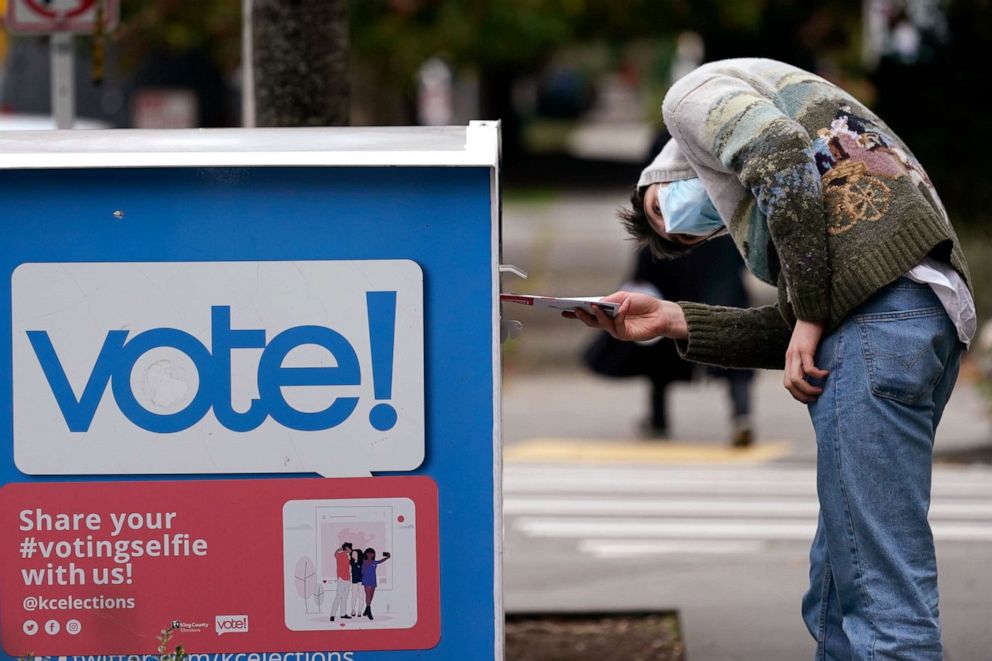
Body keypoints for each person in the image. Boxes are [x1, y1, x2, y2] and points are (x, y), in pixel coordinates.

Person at [570, 58, 974, 660]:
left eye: (660, 207)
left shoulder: (687, 99)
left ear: (659, 171)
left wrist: (809, 314)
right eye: (684, 236)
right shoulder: (813, 214)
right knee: (837, 588)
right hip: (921, 317)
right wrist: (676, 319)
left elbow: (778, 150)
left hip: (882, 322)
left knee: (884, 602)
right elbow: (802, 333)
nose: (683, 219)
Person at [360, 548, 391, 620]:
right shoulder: (364, 561)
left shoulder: (374, 562)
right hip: (366, 580)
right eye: (369, 553)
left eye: (372, 553)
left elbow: (380, 561)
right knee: (367, 595)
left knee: (371, 596)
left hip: (373, 581)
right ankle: (369, 611)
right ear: (366, 554)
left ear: (373, 554)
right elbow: (362, 571)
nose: (370, 554)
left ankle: (366, 609)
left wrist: (387, 557)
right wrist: (365, 567)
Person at [328, 542, 353, 622]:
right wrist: (339, 549)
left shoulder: (347, 556)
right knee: (338, 597)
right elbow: (336, 555)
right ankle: (332, 615)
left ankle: (343, 614)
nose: (351, 549)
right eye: (350, 548)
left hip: (347, 579)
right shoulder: (341, 554)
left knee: (344, 598)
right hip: (342, 578)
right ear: (346, 547)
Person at [349, 548, 365, 617]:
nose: (353, 554)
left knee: (361, 596)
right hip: (354, 581)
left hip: (361, 581)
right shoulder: (351, 562)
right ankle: (353, 610)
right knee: (354, 596)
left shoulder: (362, 562)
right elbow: (349, 571)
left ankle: (359, 611)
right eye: (352, 553)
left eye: (354, 553)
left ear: (358, 554)